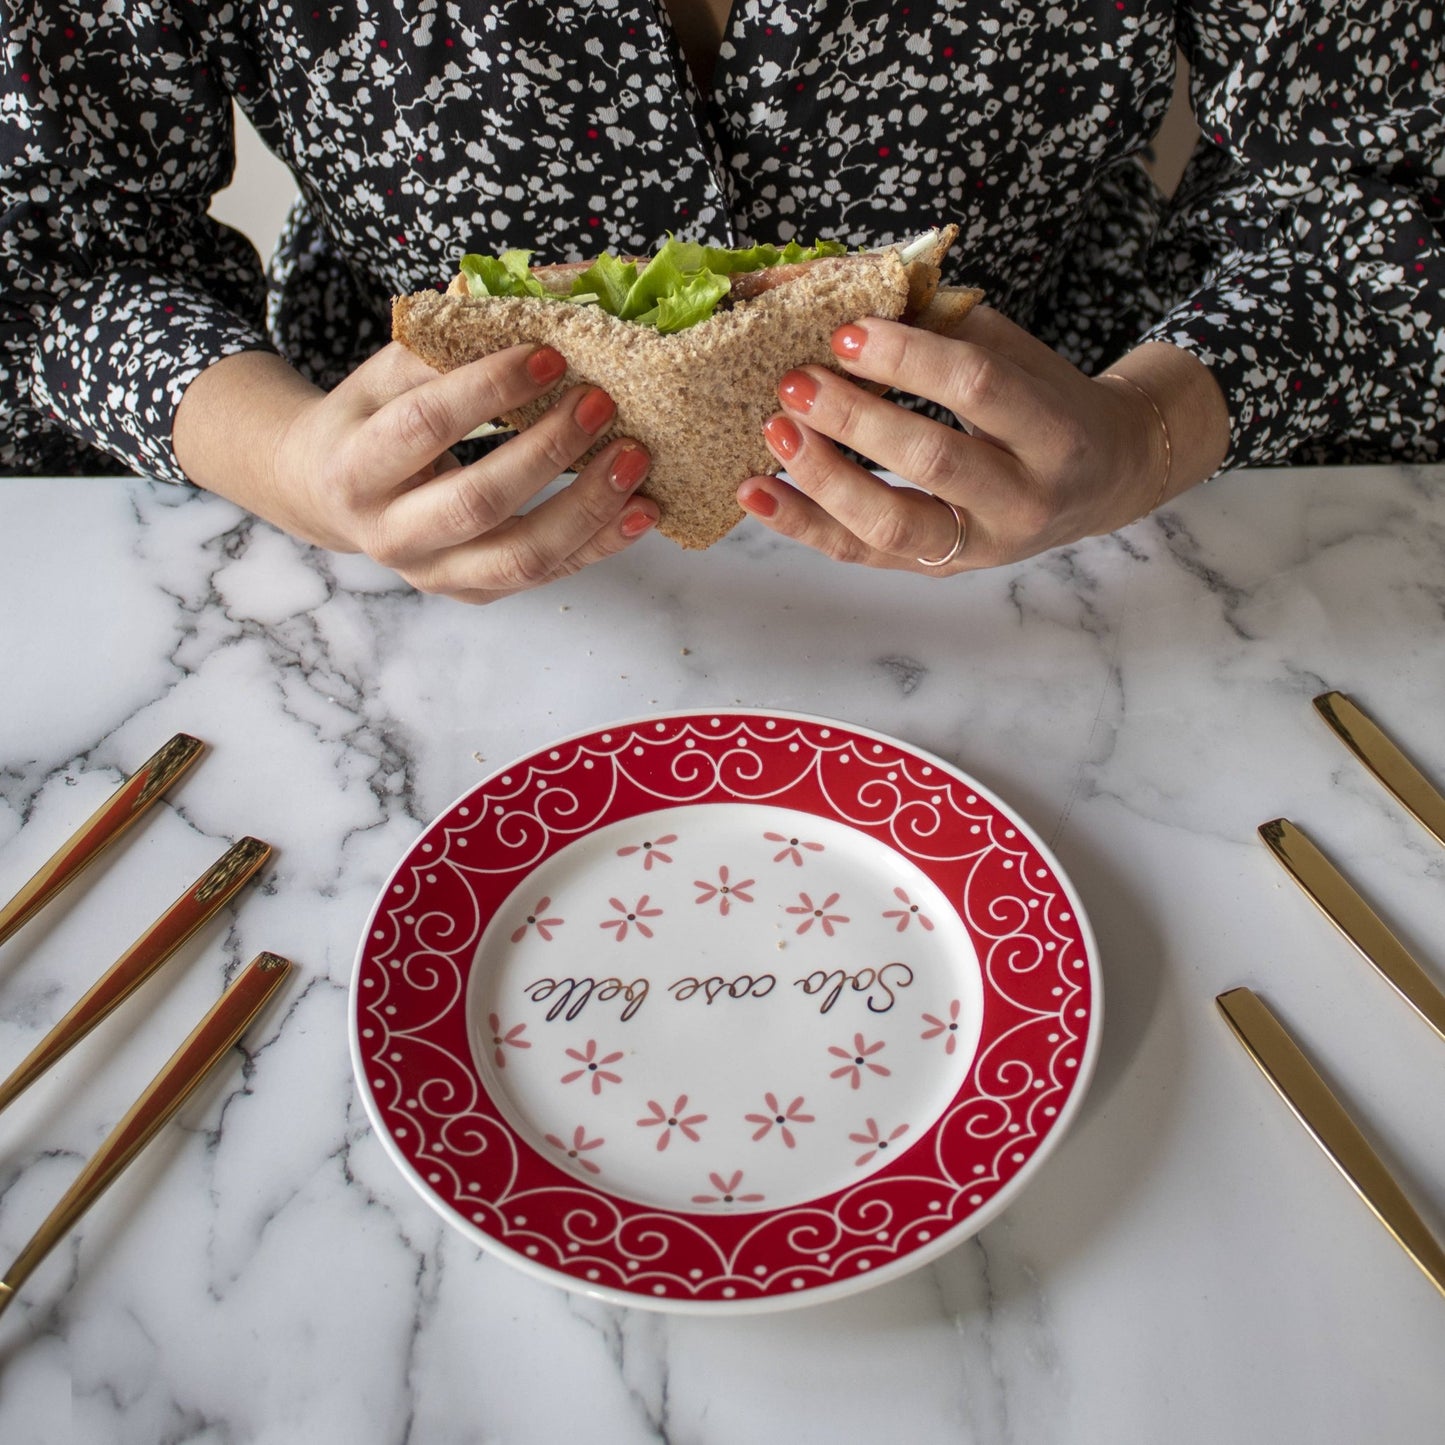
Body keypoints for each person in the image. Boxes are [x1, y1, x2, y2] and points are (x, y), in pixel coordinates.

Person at [2, 2, 1440, 603]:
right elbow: (52, 245)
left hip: (1083, 558)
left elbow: (1388, 186)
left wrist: (1144, 438)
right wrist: (291, 463)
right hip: (392, 582)